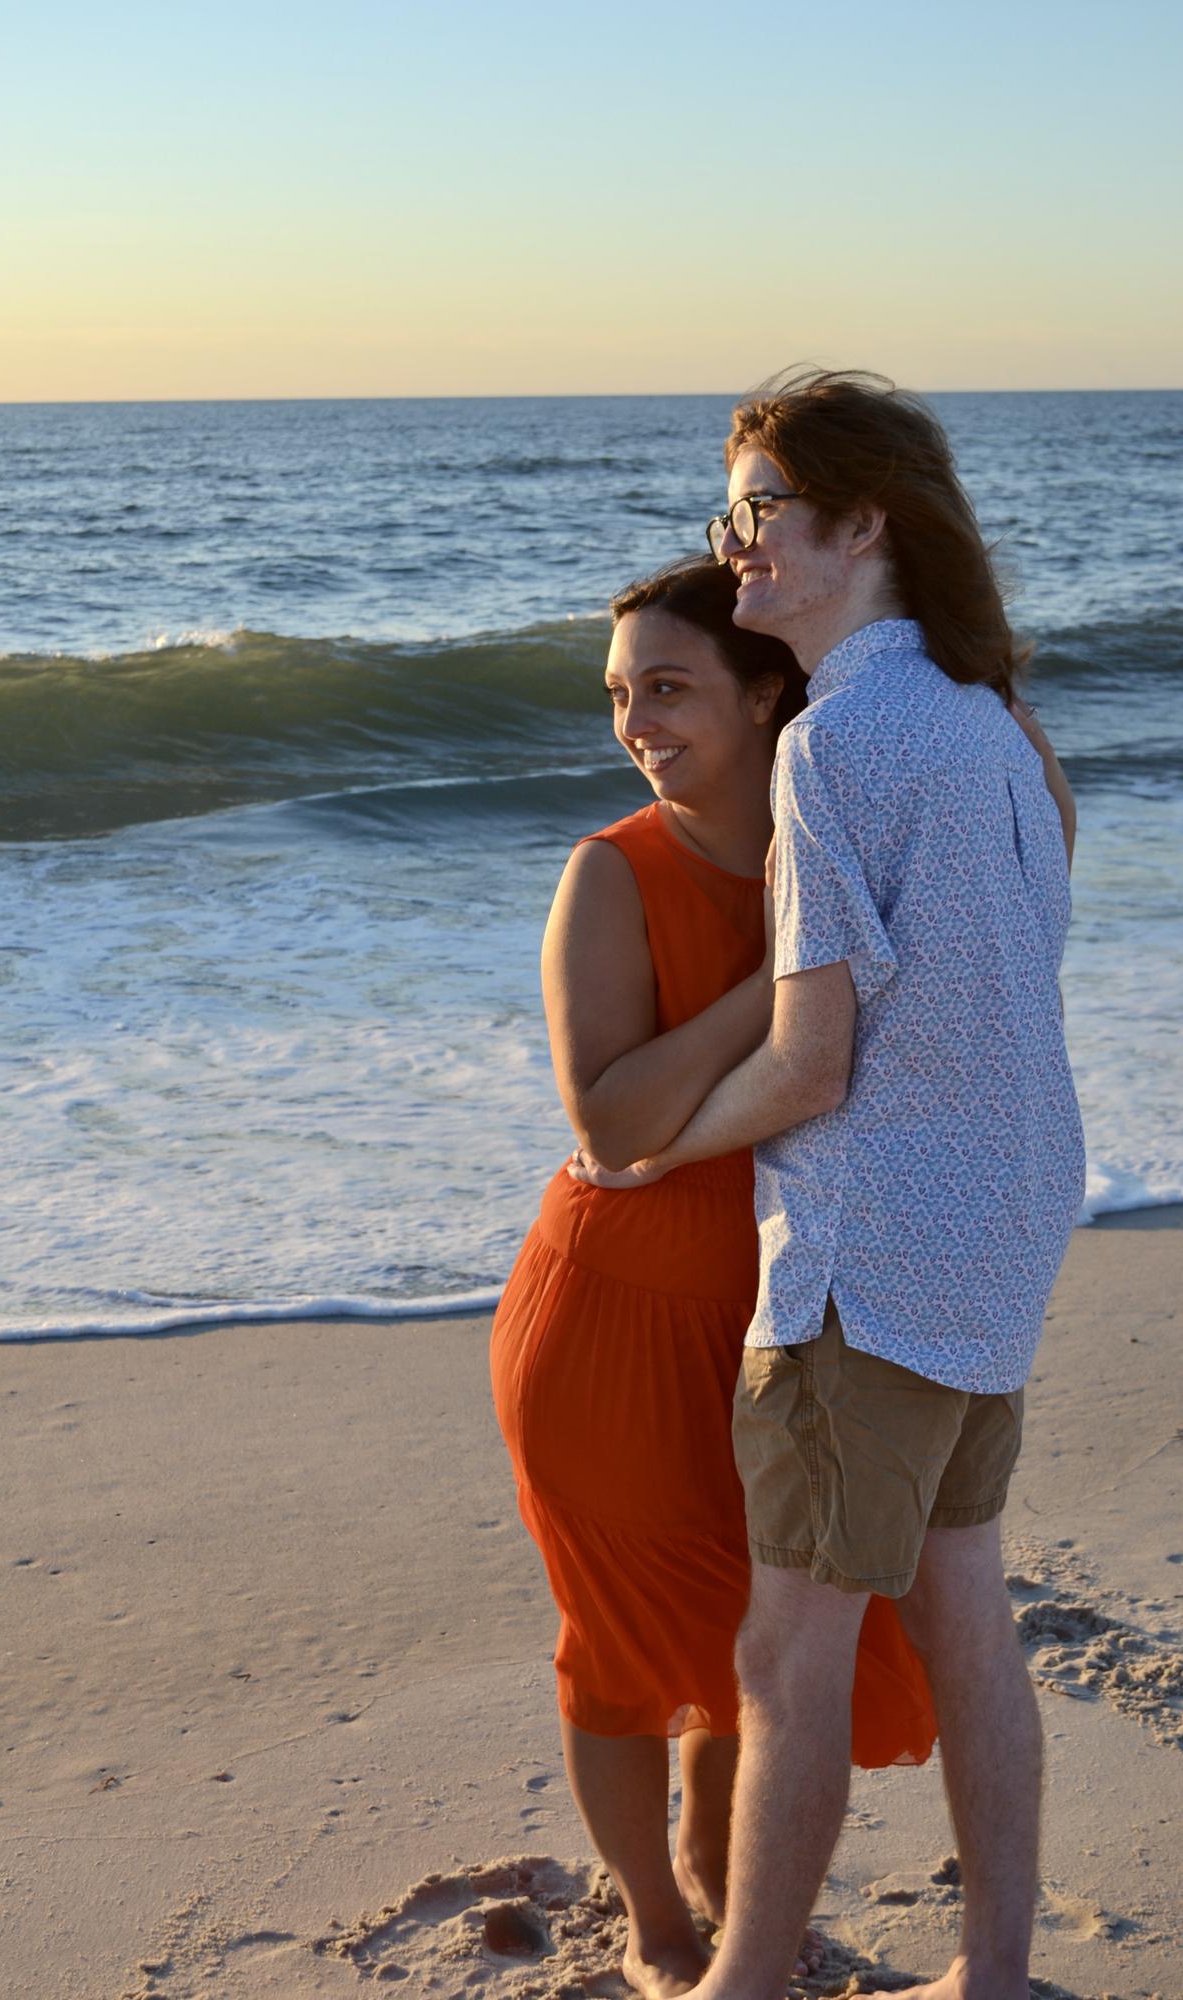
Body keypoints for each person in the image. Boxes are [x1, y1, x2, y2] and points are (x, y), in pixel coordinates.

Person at [572, 371, 1084, 2000]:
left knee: (786, 1657)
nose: (736, 550)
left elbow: (811, 1064)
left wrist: (642, 1146)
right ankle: (987, 1975)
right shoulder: (984, 719)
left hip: (868, 1265)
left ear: (864, 525)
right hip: (998, 1242)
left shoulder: (840, 740)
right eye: (731, 518)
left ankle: (738, 1987)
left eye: (762, 513)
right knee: (964, 1618)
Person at [491, 555, 938, 2000]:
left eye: (668, 688)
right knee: (621, 1650)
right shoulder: (610, 873)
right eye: (619, 695)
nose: (635, 720)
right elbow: (610, 1122)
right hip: (608, 1327)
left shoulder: (855, 849)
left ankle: (718, 1883)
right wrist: (790, 978)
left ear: (766, 694)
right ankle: (657, 1929)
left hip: (786, 1315)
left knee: (761, 1644)